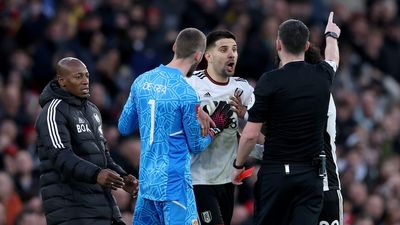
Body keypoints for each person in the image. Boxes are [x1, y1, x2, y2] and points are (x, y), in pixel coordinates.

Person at [231, 12, 341, 225]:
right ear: (307, 45)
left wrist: (238, 166)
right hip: (311, 177)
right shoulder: (323, 76)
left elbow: (251, 135)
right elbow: (333, 58)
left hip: (276, 175)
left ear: (278, 44)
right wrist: (331, 35)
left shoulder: (269, 81)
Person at [118, 28, 232, 225]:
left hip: (147, 183)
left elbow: (124, 127)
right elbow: (196, 144)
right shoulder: (186, 93)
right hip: (174, 185)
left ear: (174, 47)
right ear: (199, 56)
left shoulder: (142, 81)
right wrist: (215, 128)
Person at [35, 57, 138, 225]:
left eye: (87, 76)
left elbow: (104, 158)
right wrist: (96, 174)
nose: (85, 81)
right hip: (72, 211)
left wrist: (123, 178)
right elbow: (60, 155)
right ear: (62, 81)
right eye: (78, 77)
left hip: (104, 208)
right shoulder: (53, 111)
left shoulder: (92, 110)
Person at [186, 30, 254, 225]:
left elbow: (267, 124)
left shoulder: (243, 89)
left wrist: (246, 114)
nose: (231, 54)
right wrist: (197, 113)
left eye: (234, 49)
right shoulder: (191, 84)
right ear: (208, 56)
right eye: (223, 50)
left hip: (227, 181)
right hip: (197, 179)